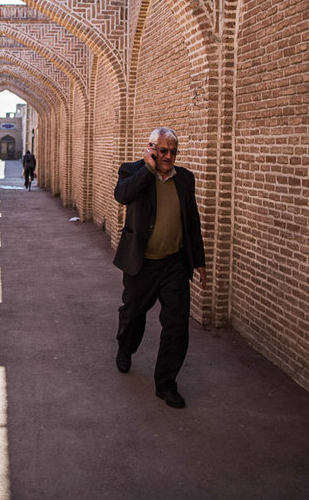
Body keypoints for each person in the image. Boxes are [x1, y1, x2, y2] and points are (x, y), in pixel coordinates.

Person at [112, 127, 207, 408]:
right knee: (133, 316)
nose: (168, 156)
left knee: (177, 326)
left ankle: (166, 384)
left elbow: (192, 222)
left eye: (173, 152)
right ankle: (125, 349)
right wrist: (148, 169)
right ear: (151, 149)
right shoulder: (132, 171)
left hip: (174, 264)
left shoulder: (185, 179)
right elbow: (122, 195)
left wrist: (199, 261)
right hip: (141, 264)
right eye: (163, 151)